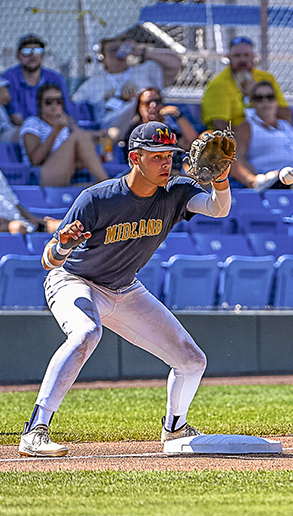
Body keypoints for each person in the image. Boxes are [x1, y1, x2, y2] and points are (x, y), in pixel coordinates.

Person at [17, 121, 233, 457]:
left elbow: (218, 209)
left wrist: (221, 180)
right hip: (75, 281)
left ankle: (175, 428)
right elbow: (49, 261)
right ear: (135, 157)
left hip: (125, 289)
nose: (166, 162)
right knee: (86, 333)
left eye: (169, 155)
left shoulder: (176, 191)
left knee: (192, 360)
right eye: (157, 156)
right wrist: (64, 246)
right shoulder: (97, 198)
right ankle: (35, 431)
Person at [71, 36, 182, 133]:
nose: (118, 53)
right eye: (112, 50)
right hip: (115, 130)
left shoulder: (145, 71)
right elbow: (72, 104)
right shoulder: (93, 84)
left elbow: (176, 63)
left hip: (151, 126)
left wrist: (141, 52)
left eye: (121, 49)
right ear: (102, 57)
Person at [20, 83, 110, 187]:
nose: (54, 105)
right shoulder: (32, 123)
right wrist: (56, 130)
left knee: (94, 189)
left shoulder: (66, 125)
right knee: (79, 136)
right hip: (40, 177)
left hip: (68, 175)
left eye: (58, 101)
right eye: (49, 102)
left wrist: (96, 135)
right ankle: (109, 185)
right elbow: (35, 160)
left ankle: (107, 186)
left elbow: (82, 140)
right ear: (40, 104)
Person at [201, 35, 291, 131]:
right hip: (239, 137)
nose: (242, 60)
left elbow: (287, 117)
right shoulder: (218, 85)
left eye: (246, 55)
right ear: (229, 58)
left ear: (253, 57)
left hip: (273, 133)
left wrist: (257, 94)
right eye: (237, 56)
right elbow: (220, 128)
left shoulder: (267, 78)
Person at [0, 34, 77, 127]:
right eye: (26, 51)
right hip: (19, 129)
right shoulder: (8, 79)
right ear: (18, 56)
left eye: (38, 51)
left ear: (42, 55)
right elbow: (15, 118)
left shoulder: (56, 79)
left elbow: (68, 112)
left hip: (52, 127)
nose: (32, 56)